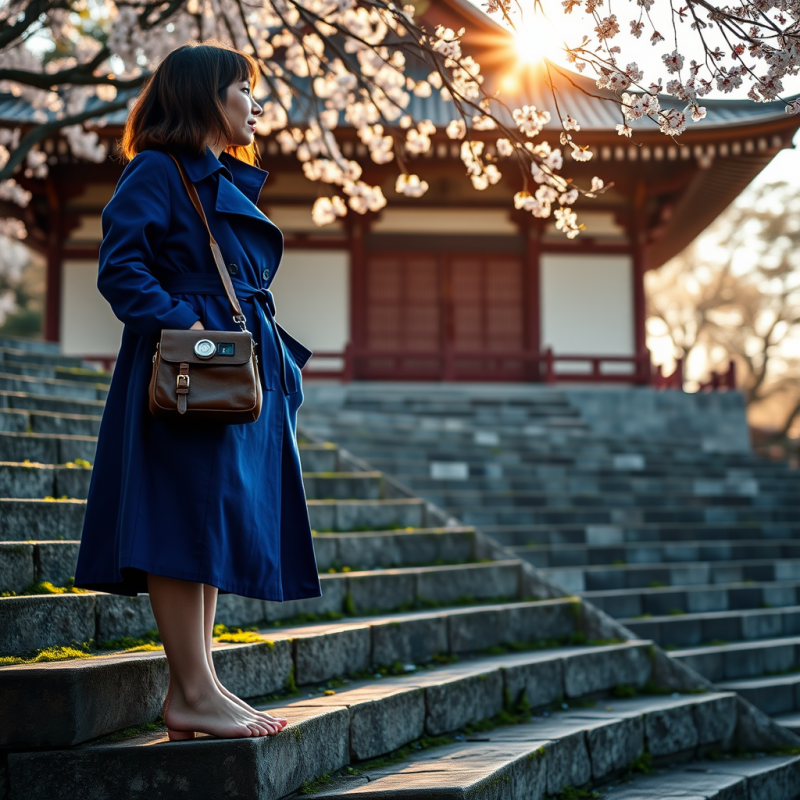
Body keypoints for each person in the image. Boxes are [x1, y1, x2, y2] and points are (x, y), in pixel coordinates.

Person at [72, 40, 323, 740]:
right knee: (182, 525)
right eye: (243, 89)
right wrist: (189, 330)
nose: (256, 104)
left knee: (206, 525)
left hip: (226, 373)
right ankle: (191, 691)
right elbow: (121, 269)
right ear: (204, 97)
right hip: (188, 374)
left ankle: (202, 685)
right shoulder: (157, 169)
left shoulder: (219, 177)